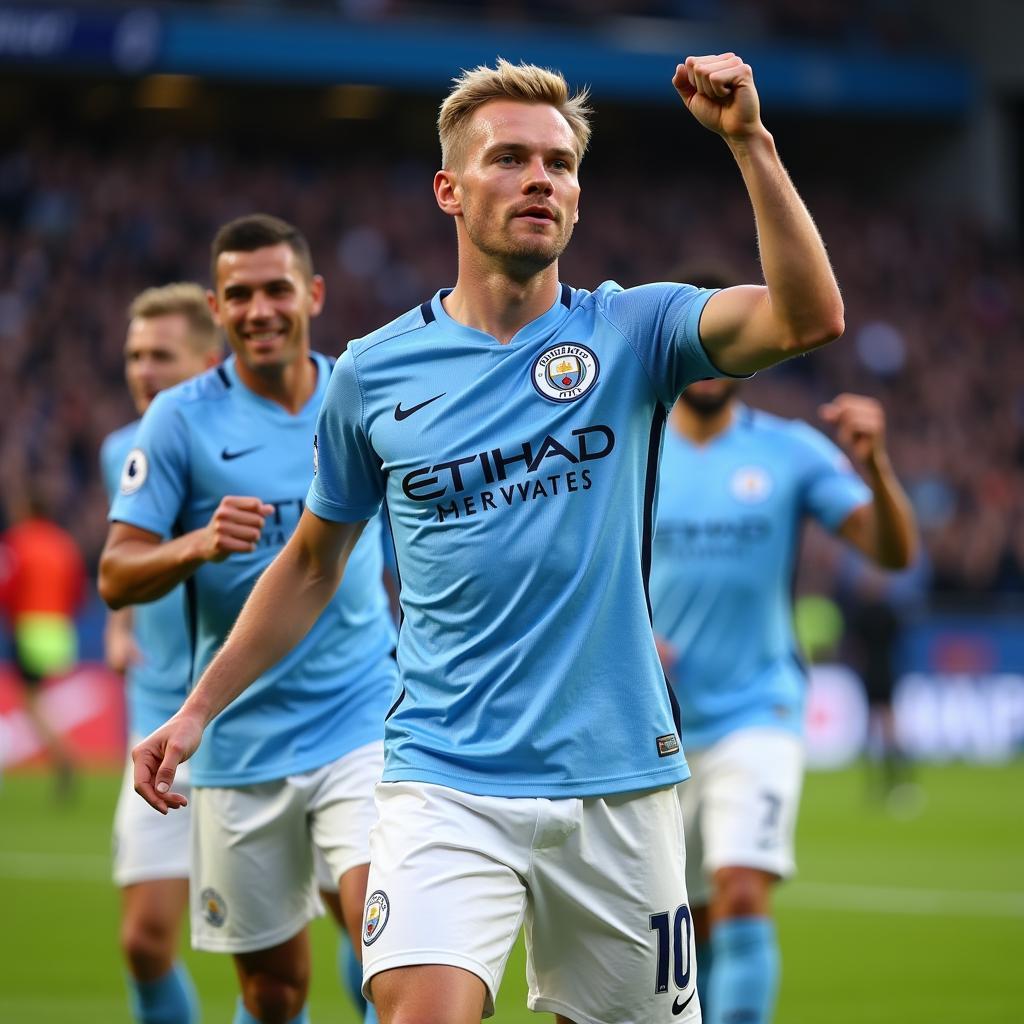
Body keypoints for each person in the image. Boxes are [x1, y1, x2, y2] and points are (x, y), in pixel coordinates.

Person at [130, 55, 846, 1024]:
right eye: (508, 158)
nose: (539, 178)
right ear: (449, 189)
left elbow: (809, 317)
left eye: (557, 161)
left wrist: (748, 143)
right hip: (443, 776)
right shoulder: (374, 373)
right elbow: (310, 560)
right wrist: (196, 710)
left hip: (619, 779)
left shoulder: (633, 330)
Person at [99, 215, 397, 1024]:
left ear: (315, 294)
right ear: (216, 307)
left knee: (397, 962)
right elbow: (116, 575)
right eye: (240, 294)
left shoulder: (369, 393)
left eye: (277, 289)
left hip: (363, 722)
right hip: (235, 741)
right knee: (272, 994)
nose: (260, 309)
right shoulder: (178, 421)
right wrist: (194, 545)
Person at [650, 303, 916, 1024]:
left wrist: (878, 468)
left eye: (726, 342)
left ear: (750, 350)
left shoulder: (791, 451)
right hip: (655, 726)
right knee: (688, 923)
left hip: (758, 708)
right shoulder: (632, 451)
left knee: (740, 889)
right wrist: (631, 628)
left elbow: (893, 553)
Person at [100, 282, 222, 1024]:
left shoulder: (266, 438)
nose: (143, 371)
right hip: (159, 726)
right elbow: (121, 558)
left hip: (265, 716)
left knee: (351, 931)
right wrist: (118, 626)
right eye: (133, 356)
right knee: (146, 941)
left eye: (161, 356)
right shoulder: (123, 447)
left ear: (209, 361)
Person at [0, 487, 85, 798]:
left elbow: (8, 584)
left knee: (32, 702)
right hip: (59, 628)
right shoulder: (64, 542)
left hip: (29, 627)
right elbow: (77, 589)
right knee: (37, 700)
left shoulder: (18, 540)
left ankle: (65, 758)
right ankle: (63, 756)